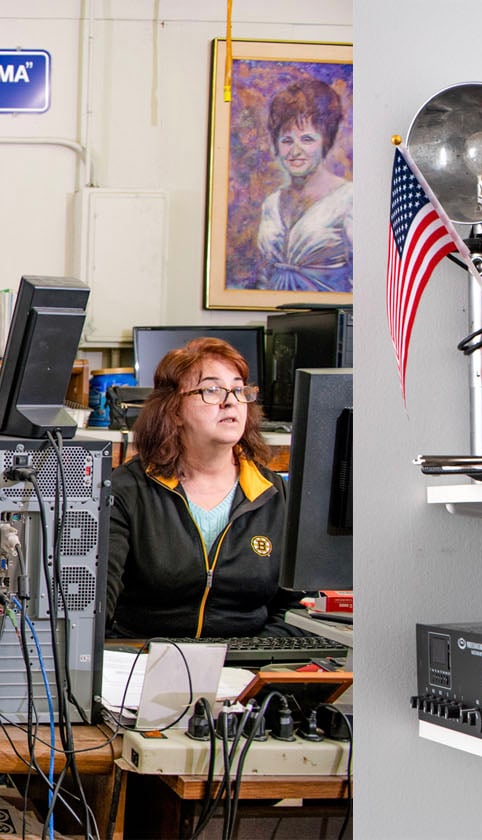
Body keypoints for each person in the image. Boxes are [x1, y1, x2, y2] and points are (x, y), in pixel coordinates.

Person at [105, 337, 300, 639]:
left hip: (249, 670)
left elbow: (300, 608)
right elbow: (95, 607)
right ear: (174, 411)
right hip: (142, 664)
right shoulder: (127, 490)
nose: (231, 401)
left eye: (238, 389)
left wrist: (255, 657)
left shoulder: (274, 493)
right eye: (211, 390)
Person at [255, 78, 352, 293]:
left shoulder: (349, 199)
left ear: (325, 142)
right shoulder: (271, 204)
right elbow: (265, 277)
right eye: (287, 140)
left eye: (307, 139)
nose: (295, 151)